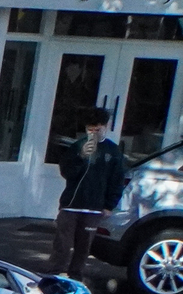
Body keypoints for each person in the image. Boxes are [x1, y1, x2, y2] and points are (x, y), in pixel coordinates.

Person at [53, 105, 129, 277]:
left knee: (83, 246)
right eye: (90, 129)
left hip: (94, 208)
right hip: (71, 205)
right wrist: (81, 156)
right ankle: (55, 274)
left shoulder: (112, 151)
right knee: (62, 245)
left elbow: (116, 180)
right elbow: (67, 172)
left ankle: (75, 276)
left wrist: (109, 205)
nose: (94, 133)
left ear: (106, 127)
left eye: (98, 129)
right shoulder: (77, 146)